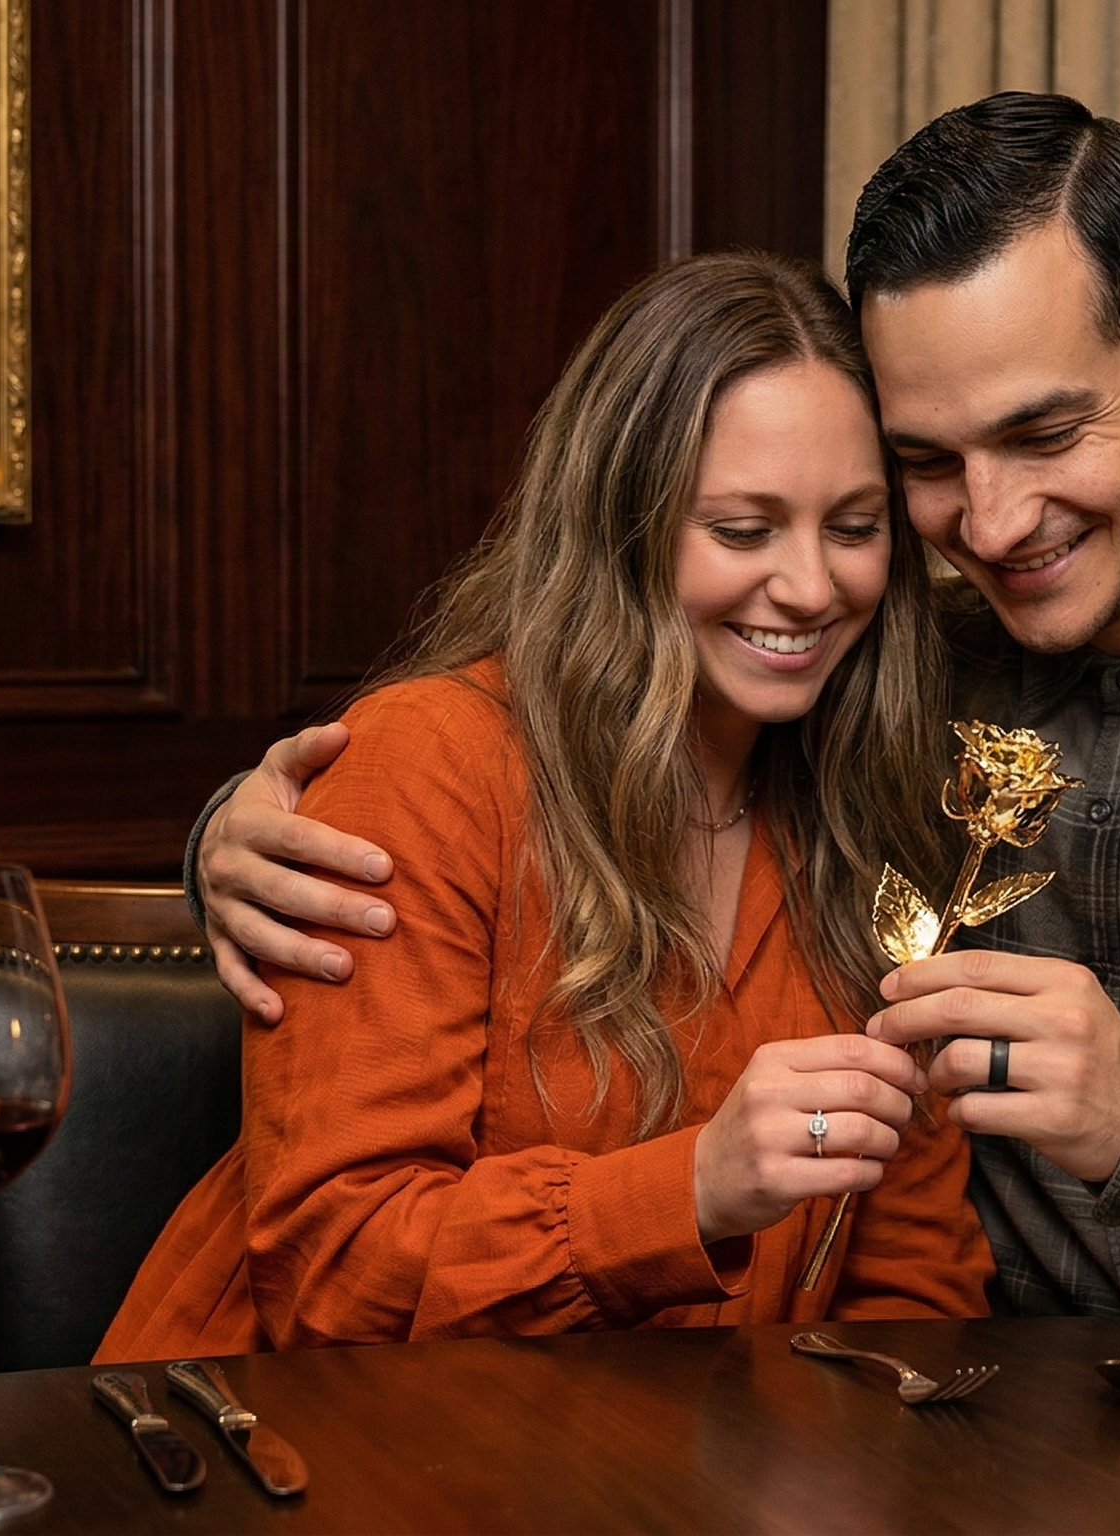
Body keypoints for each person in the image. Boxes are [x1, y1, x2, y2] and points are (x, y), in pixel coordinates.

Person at [185, 94, 1120, 1320]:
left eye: (1044, 431)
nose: (995, 521)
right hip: (930, 1442)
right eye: (928, 467)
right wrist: (229, 841)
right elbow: (526, 752)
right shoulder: (879, 676)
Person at [95, 252, 992, 1361]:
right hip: (297, 1454)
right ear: (622, 527)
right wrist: (694, 1192)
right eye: (743, 530)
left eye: (854, 528)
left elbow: (914, 1281)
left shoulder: (875, 821)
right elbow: (334, 1273)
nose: (811, 588)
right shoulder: (431, 767)